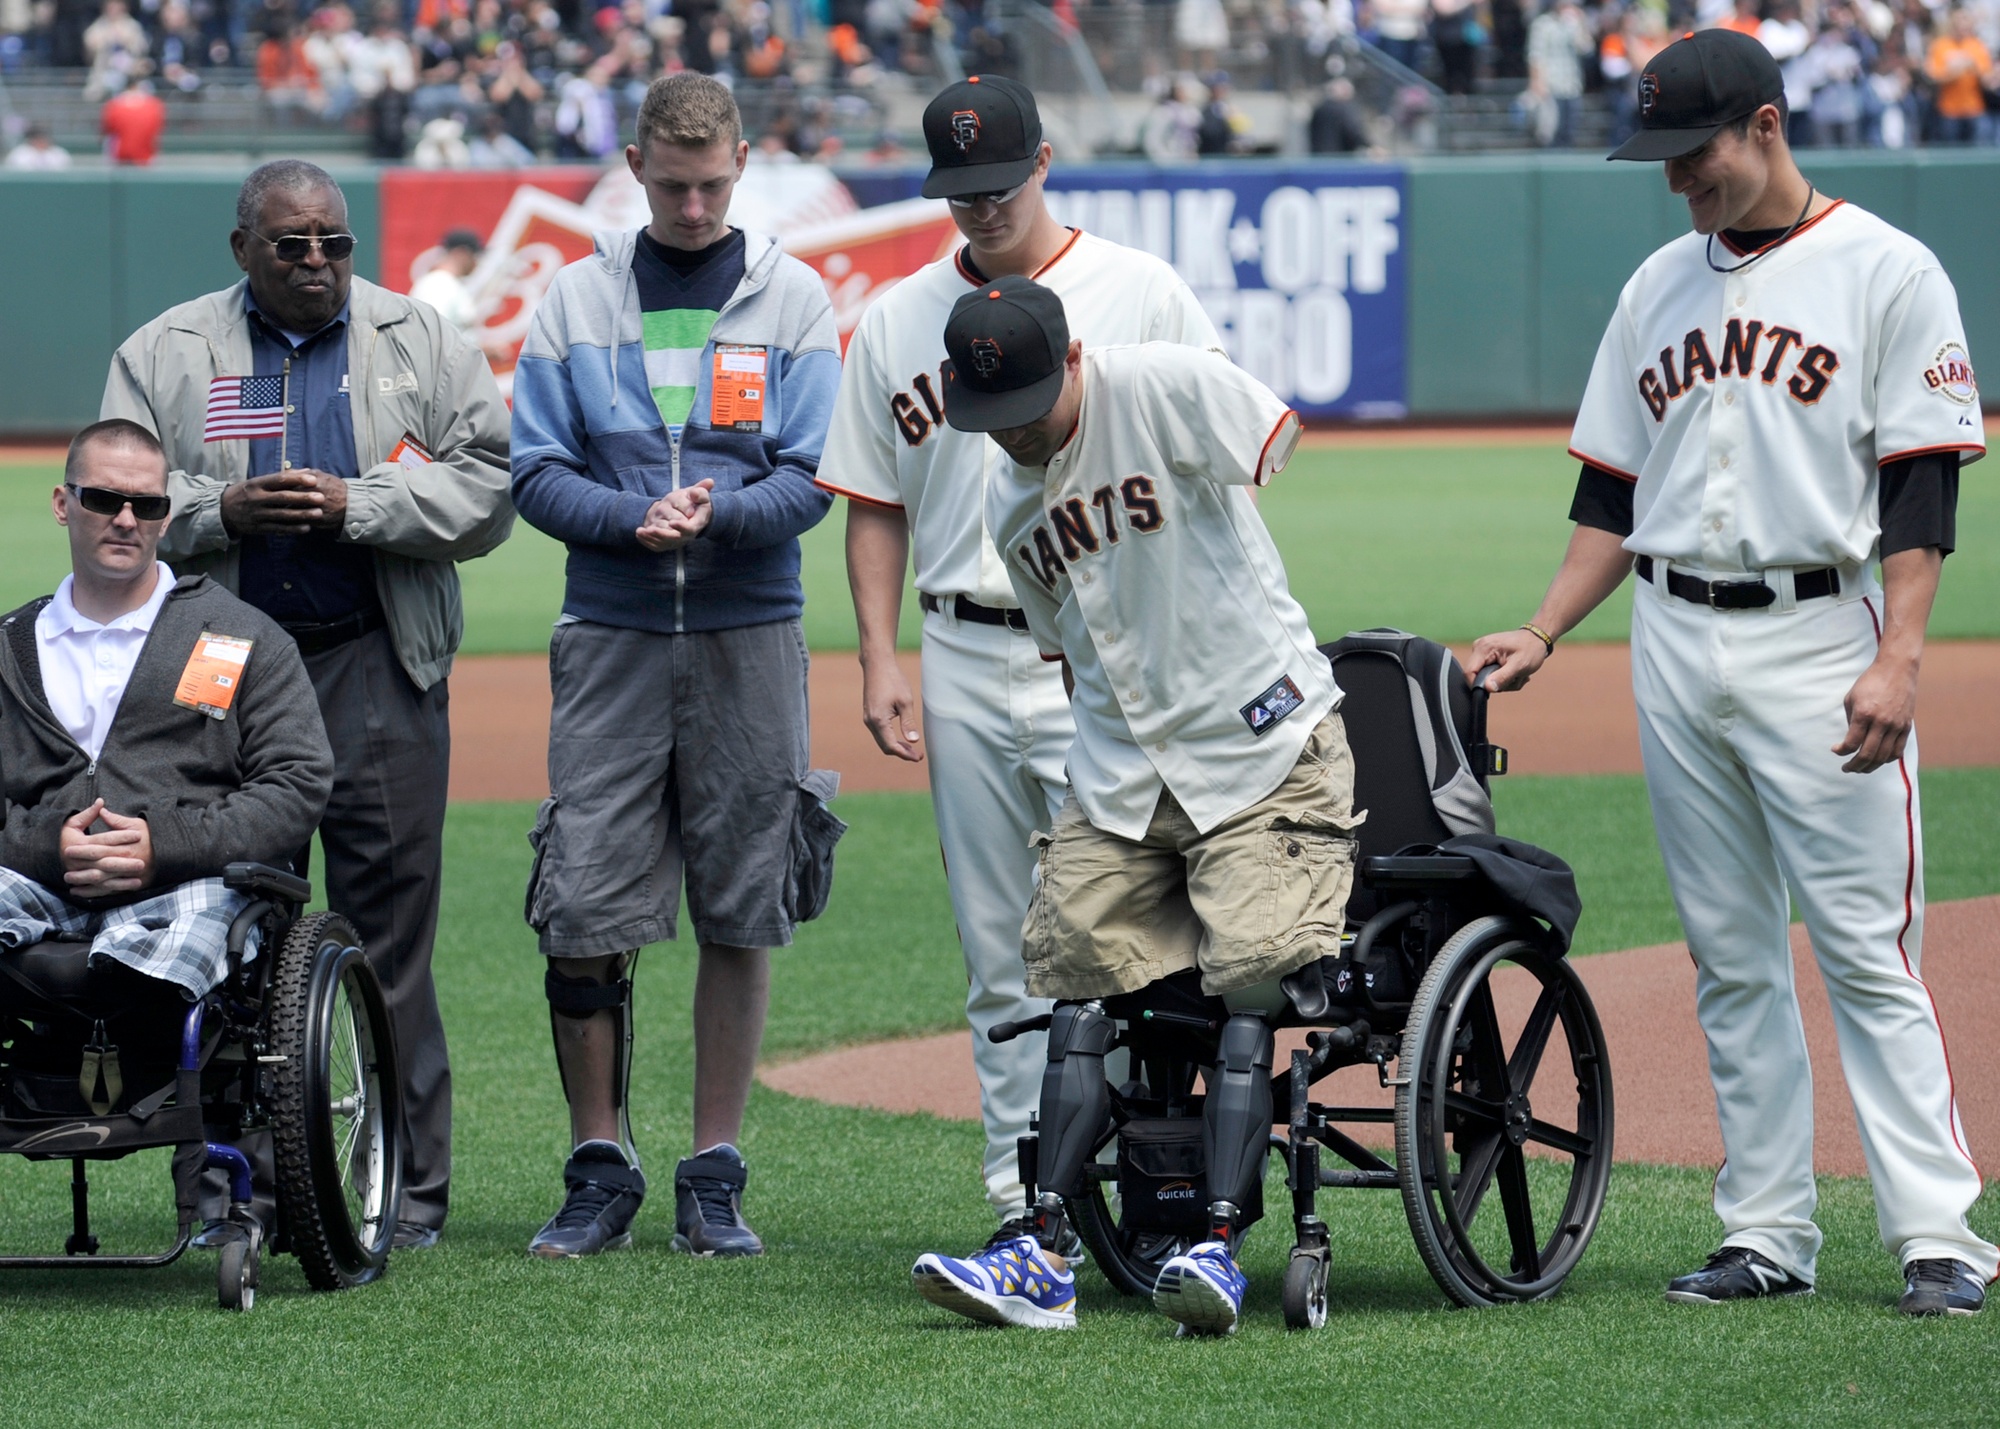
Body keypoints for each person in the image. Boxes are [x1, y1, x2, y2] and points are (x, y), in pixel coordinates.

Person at [1470, 28, 1997, 1318]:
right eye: (1655, 157)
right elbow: (1610, 489)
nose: (1672, 180)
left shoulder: (1885, 268)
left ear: (1765, 125)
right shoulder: (1656, 283)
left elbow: (1918, 481)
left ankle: (1938, 1236)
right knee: (1729, 953)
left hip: (1821, 637)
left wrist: (1899, 653)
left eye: (1689, 151)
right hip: (1671, 636)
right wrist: (1543, 628)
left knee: (1867, 949)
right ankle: (1764, 1230)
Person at [816, 72, 1223, 1266]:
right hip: (959, 650)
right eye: (957, 191)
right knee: (1001, 950)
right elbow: (873, 505)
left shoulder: (1138, 292)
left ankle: (1159, 1184)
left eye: (996, 183)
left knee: (1144, 932)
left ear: (1043, 163)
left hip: (1111, 657)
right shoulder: (896, 318)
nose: (978, 209)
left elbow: (1212, 461)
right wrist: (878, 653)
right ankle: (1017, 1190)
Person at [908, 276, 1352, 1336]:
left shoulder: (1157, 384)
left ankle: (1217, 1242)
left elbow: (1272, 440)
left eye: (1021, 403)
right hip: (1122, 771)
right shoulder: (1010, 498)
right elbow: (1071, 657)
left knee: (1248, 971)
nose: (1006, 431)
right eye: (987, 414)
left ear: (1068, 363)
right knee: (1073, 966)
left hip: (1262, 745)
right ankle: (1040, 1250)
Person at [99, 159, 515, 1250]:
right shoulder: (166, 351)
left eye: (334, 241)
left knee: (387, 944)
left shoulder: (417, 339)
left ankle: (403, 1196)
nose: (319, 263)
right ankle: (231, 1194)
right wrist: (222, 508)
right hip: (218, 684)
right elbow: (118, 496)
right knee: (217, 931)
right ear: (242, 248)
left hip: (373, 658)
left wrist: (361, 503)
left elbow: (489, 484)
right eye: (292, 245)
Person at [510, 72, 844, 1261]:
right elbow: (532, 468)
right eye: (672, 184)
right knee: (585, 895)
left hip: (749, 626)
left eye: (712, 185)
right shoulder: (573, 299)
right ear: (637, 167)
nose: (695, 206)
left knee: (741, 898)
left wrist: (723, 517)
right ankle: (599, 1162)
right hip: (609, 628)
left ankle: (713, 1166)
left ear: (743, 163)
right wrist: (623, 518)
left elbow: (811, 472)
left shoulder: (794, 297)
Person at [0, 421, 332, 1124]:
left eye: (146, 505)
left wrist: (161, 845)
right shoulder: (9, 648)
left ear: (168, 515)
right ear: (63, 503)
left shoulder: (243, 636)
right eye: (103, 499)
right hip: (33, 882)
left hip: (189, 886)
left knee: (175, 945)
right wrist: (48, 846)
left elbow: (297, 781)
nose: (126, 519)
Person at [1926, 7, 1994, 144]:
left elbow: (1988, 79)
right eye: (1958, 22)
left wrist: (1972, 66)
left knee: (1978, 153)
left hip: (1974, 108)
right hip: (1949, 110)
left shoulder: (1977, 46)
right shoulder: (1941, 45)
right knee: (1950, 154)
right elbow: (1933, 76)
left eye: (1964, 21)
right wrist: (1954, 71)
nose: (1961, 26)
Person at [410, 229, 484, 333]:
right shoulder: (439, 283)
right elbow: (432, 332)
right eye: (475, 256)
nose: (477, 263)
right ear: (461, 253)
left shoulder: (446, 282)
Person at [100, 80, 166, 166]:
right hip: (145, 157)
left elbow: (105, 131)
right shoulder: (154, 105)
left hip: (121, 157)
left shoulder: (114, 104)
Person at [5, 122, 73, 170]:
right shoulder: (19, 153)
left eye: (43, 137)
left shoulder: (59, 153)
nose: (41, 141)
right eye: (37, 138)